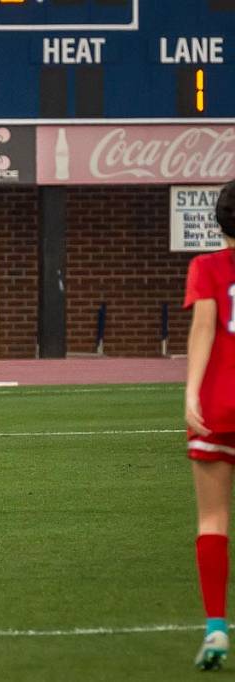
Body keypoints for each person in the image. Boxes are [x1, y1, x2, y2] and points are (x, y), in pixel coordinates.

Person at [185, 179, 235, 671]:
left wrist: (190, 391)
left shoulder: (207, 267)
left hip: (218, 404)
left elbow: (204, 327)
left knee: (213, 519)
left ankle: (217, 628)